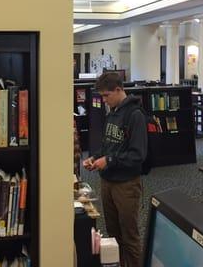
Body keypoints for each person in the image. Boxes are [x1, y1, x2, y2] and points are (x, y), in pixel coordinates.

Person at [83, 72, 147, 267]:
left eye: (106, 95)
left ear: (119, 90)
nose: (103, 100)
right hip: (107, 181)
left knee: (129, 236)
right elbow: (108, 145)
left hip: (126, 184)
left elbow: (138, 155)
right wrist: (95, 157)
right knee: (113, 234)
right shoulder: (112, 112)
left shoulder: (135, 115)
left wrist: (109, 160)